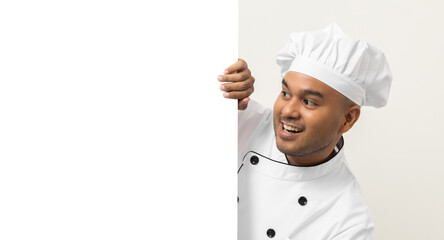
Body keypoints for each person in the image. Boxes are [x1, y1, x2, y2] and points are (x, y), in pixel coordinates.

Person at [218, 23, 392, 240]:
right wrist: (223, 80)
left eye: (309, 102)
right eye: (285, 93)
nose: (288, 111)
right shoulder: (243, 120)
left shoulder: (349, 222)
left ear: (348, 119)